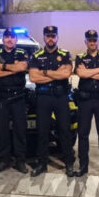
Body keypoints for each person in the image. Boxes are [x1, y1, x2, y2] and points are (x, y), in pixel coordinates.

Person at [29, 26, 75, 177]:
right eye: (48, 36)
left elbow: (66, 73)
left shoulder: (64, 54)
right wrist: (56, 73)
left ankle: (69, 163)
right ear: (43, 37)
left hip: (61, 98)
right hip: (43, 98)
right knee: (42, 131)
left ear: (57, 37)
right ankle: (42, 163)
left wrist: (44, 72)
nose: (50, 38)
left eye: (53, 36)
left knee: (64, 131)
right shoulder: (36, 55)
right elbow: (33, 77)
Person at [0, 28, 30, 173]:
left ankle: (20, 161)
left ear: (16, 40)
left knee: (20, 131)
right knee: (2, 130)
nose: (9, 39)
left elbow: (23, 67)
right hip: (1, 97)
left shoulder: (21, 53)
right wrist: (14, 69)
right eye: (7, 37)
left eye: (12, 37)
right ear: (3, 39)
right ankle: (3, 160)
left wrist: (4, 68)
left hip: (18, 97)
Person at [74, 30, 99, 177]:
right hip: (85, 100)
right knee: (83, 134)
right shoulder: (80, 57)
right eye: (90, 40)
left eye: (95, 40)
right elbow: (81, 74)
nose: (92, 42)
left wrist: (89, 70)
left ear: (98, 41)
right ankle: (83, 166)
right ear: (86, 42)